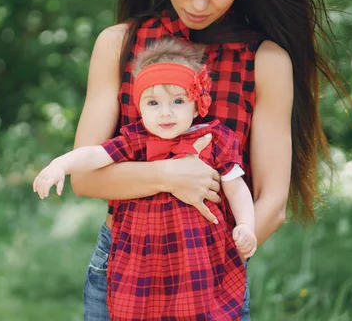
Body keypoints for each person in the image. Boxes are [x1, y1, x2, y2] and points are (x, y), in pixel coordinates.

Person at [69, 0, 349, 320]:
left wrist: (216, 265)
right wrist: (170, 176)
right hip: (122, 266)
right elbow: (85, 176)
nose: (200, 1)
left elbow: (272, 203)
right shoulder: (119, 44)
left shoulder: (265, 61)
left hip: (213, 276)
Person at [34, 39, 258, 319]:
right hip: (141, 260)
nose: (166, 112)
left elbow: (236, 186)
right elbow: (95, 155)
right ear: (140, 107)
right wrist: (61, 163)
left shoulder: (214, 138)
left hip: (199, 260)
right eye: (153, 102)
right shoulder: (135, 139)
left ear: (197, 104)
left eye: (178, 101)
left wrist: (247, 225)